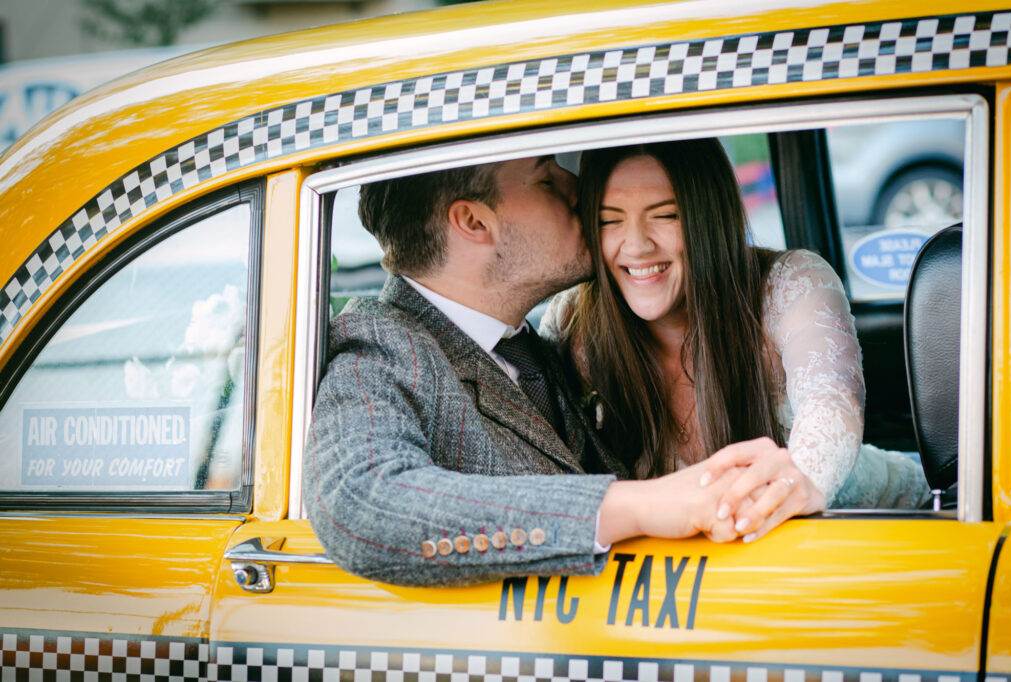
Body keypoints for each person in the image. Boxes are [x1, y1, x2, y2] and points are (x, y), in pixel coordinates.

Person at [303, 155, 789, 587]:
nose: (577, 188)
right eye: (546, 178)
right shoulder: (380, 346)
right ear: (474, 221)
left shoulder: (529, 345)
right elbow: (361, 505)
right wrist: (641, 504)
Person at [541, 139, 931, 544]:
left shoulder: (789, 284)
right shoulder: (575, 322)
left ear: (708, 216)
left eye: (666, 215)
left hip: (884, 529)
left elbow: (832, 404)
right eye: (609, 220)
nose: (637, 245)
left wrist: (793, 483)